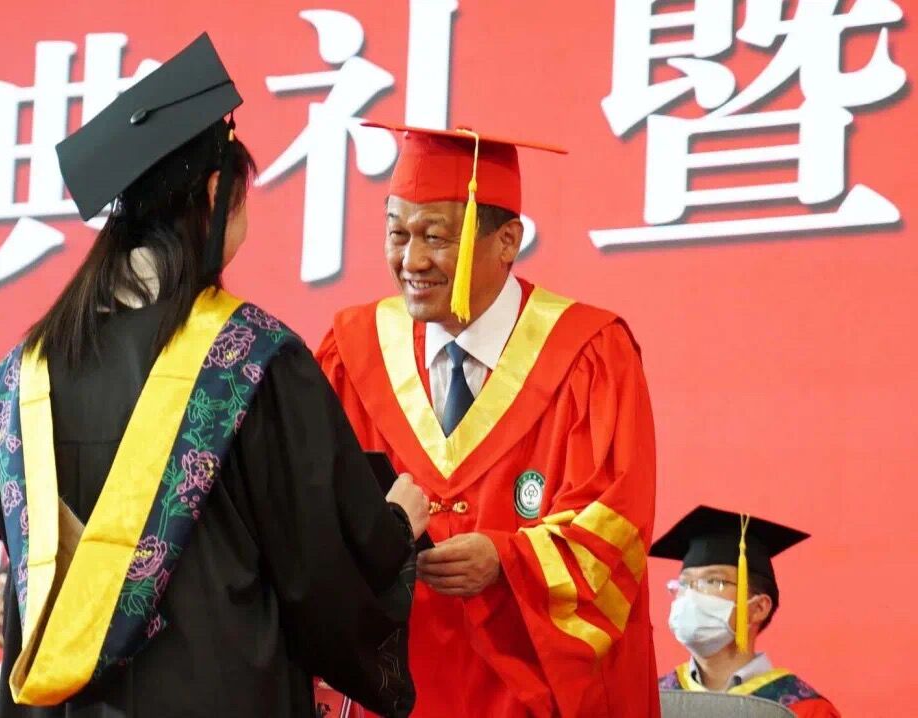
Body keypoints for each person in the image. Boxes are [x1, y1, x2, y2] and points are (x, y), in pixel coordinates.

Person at [0, 33, 428, 718]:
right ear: (218, 192)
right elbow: (317, 572)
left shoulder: (23, 376)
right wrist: (396, 524)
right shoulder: (251, 358)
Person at [316, 123, 659, 717]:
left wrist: (507, 559)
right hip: (397, 683)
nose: (412, 260)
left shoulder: (590, 354)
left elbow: (615, 527)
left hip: (530, 690)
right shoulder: (352, 351)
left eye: (436, 237)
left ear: (507, 241)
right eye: (397, 233)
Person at [652, 506, 841, 717]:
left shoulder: (804, 710)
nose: (691, 596)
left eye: (713, 581)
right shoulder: (652, 700)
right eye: (684, 584)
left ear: (758, 608)